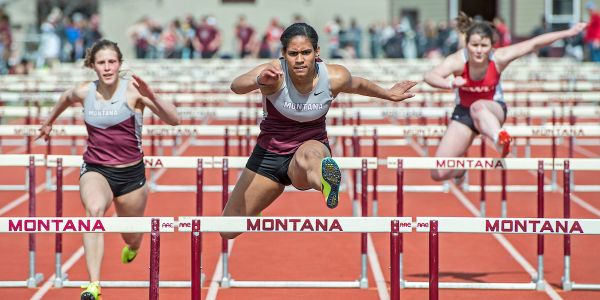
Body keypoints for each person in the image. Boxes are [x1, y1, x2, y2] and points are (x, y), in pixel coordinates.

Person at [222, 23, 416, 239]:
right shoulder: (274, 74)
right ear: (283, 54)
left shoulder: (334, 77)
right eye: (293, 53)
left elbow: (358, 84)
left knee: (310, 156)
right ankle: (256, 207)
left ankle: (327, 183)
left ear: (317, 52)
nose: (300, 59)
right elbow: (237, 85)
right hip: (269, 154)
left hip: (310, 147)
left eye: (306, 52)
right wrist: (259, 81)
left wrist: (389, 94)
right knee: (228, 230)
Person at [36, 39, 179, 300]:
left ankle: (133, 245)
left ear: (119, 63)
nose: (107, 67)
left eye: (112, 61)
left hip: (131, 175)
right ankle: (93, 284)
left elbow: (174, 120)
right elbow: (65, 98)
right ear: (93, 65)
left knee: (131, 237)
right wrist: (48, 122)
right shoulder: (84, 91)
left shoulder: (134, 91)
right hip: (96, 169)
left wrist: (152, 95)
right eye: (101, 62)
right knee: (94, 212)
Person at [423, 12, 587, 182]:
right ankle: (460, 169)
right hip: (464, 113)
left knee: (478, 107)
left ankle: (499, 139)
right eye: (474, 45)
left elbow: (534, 43)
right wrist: (450, 84)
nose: (479, 51)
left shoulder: (499, 57)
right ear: (467, 45)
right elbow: (430, 75)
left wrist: (568, 32)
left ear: (492, 46)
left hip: (492, 109)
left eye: (484, 46)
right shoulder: (458, 60)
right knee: (438, 173)